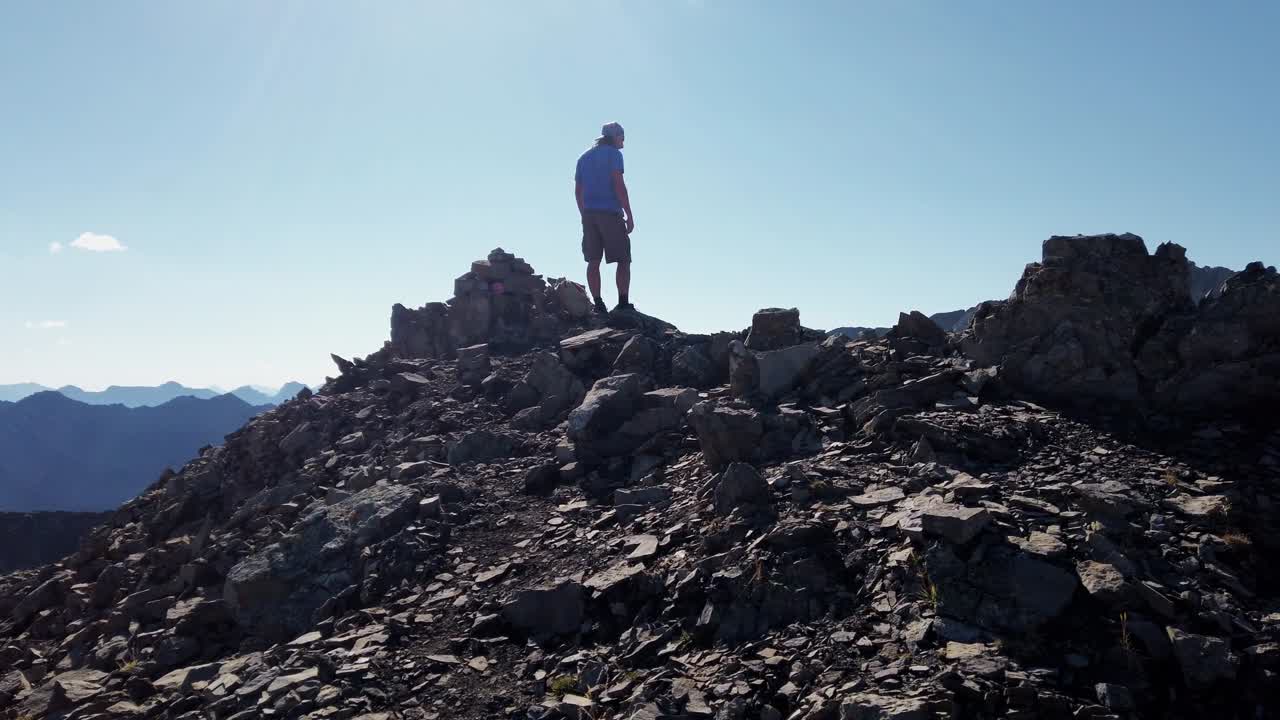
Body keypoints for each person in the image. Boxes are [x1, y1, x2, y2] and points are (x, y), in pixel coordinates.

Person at [574, 121, 634, 313]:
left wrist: (584, 213)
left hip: (589, 214)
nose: (623, 140)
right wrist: (629, 214)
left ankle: (598, 303)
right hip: (610, 213)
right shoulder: (614, 155)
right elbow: (618, 185)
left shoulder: (584, 158)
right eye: (622, 136)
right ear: (614, 136)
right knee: (623, 258)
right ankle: (623, 302)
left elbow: (578, 190)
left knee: (593, 260)